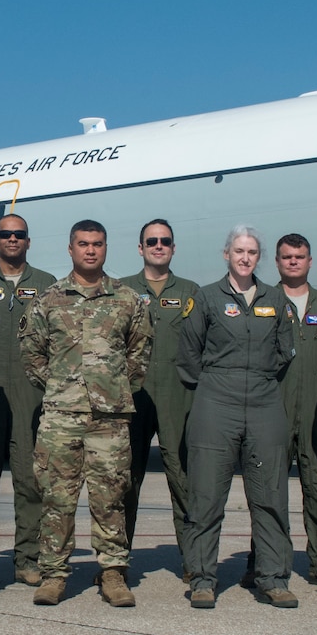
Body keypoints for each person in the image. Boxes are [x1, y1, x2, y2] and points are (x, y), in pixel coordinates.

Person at [20, 220, 152, 607]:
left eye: (97, 244)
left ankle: (112, 573)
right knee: (56, 499)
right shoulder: (48, 299)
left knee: (109, 497)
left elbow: (138, 355)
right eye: (83, 244)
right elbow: (32, 355)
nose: (90, 250)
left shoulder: (128, 300)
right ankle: (54, 574)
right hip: (61, 416)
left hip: (109, 420)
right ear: (70, 249)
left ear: (106, 248)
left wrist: (110, 389)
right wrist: (63, 388)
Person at [177, 226, 297, 609]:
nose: (245, 258)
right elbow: (188, 354)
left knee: (271, 497)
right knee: (207, 496)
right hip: (216, 401)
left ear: (259, 257)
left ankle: (273, 578)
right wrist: (218, 383)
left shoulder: (275, 299)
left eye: (253, 252)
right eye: (239, 251)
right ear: (226, 254)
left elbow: (284, 353)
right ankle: (202, 579)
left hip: (263, 401)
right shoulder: (207, 298)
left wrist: (254, 379)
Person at [0, 214, 60, 586]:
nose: (12, 239)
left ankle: (28, 559)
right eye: (6, 234)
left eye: (19, 234)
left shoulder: (46, 285)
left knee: (29, 479)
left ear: (28, 241)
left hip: (30, 393)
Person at [119, 218, 199, 565]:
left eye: (165, 241)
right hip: (131, 397)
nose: (158, 246)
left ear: (173, 247)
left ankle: (193, 562)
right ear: (140, 248)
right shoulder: (120, 291)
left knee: (183, 480)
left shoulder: (191, 292)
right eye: (151, 241)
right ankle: (116, 563)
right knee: (124, 482)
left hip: (177, 397)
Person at [274, 233, 317, 585]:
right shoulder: (264, 302)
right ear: (278, 262)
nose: (293, 262)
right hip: (275, 409)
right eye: (287, 257)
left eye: (299, 256)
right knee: (268, 490)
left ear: (310, 261)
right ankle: (266, 560)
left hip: (316, 410)